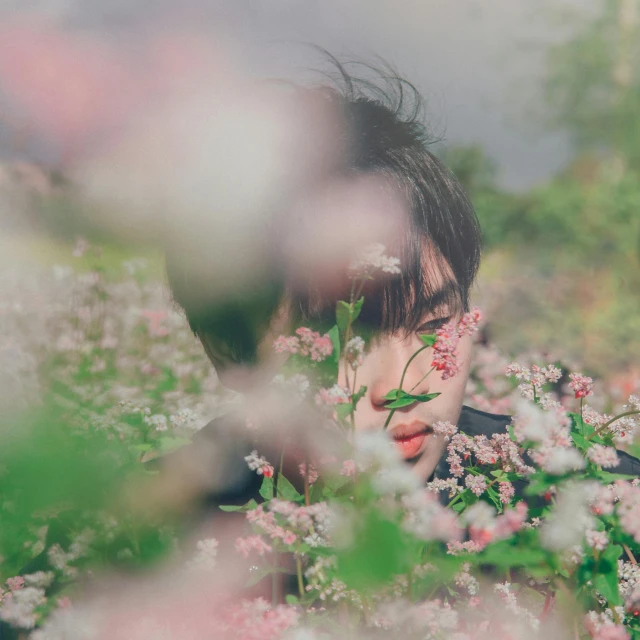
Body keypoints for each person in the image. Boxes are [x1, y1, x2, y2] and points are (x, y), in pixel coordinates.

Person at [161, 61, 640, 510]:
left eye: (433, 323)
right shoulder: (140, 546)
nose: (404, 388)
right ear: (228, 349)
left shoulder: (601, 505)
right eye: (344, 340)